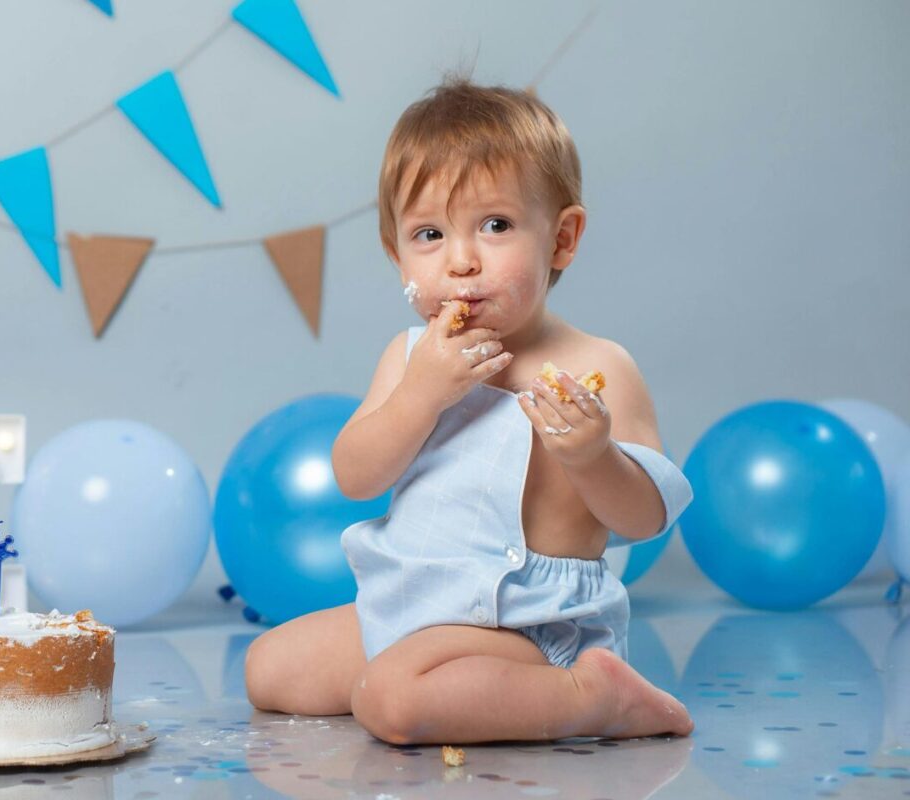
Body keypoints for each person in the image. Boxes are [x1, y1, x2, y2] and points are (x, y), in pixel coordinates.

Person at [245, 77, 695, 745]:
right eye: (429, 234)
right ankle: (448, 687)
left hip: (528, 623)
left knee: (390, 700)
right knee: (270, 670)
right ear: (397, 255)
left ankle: (591, 697)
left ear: (562, 239)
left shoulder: (598, 367)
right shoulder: (409, 357)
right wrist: (420, 395)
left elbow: (645, 518)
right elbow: (356, 476)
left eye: (495, 226)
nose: (460, 261)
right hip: (412, 602)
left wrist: (593, 456)